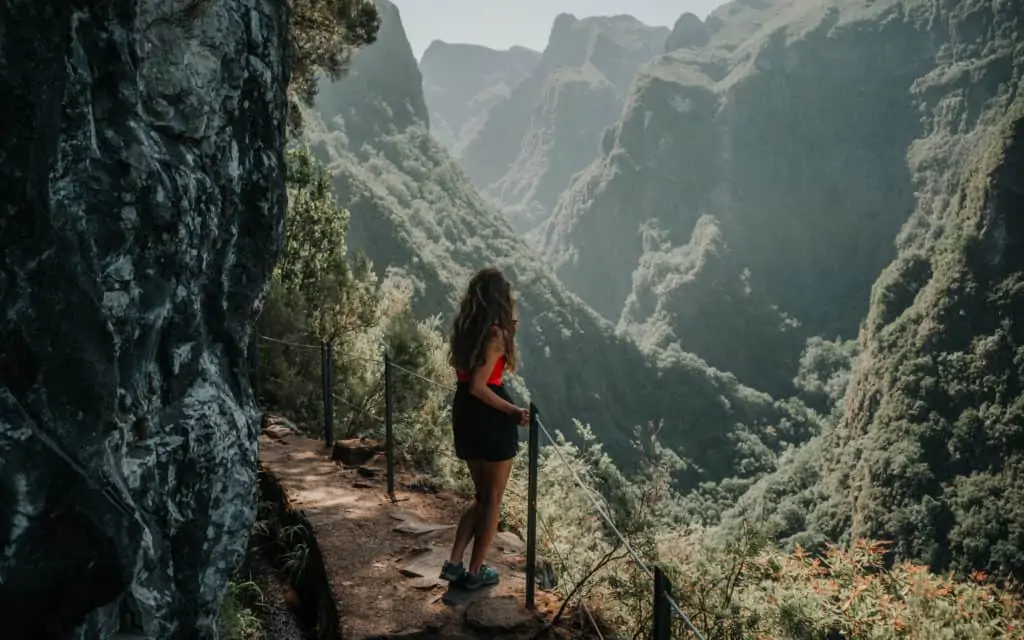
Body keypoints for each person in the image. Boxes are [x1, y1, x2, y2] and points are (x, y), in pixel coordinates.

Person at [439, 267, 529, 590]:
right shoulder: (495, 335)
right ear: (500, 299)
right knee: (492, 499)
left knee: (481, 496)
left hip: (465, 413)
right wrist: (514, 411)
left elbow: (471, 380)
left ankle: (454, 563)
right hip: (489, 416)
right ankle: (476, 572)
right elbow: (481, 385)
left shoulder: (468, 330)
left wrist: (509, 337)